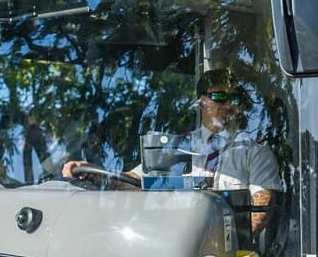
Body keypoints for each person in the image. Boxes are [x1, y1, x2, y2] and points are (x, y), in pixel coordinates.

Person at [62, 69, 283, 234]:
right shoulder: (177, 146)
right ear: (201, 102)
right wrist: (94, 172)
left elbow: (259, 211)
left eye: (234, 99)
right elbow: (133, 182)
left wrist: (219, 246)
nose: (228, 105)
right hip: (169, 249)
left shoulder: (254, 150)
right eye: (219, 97)